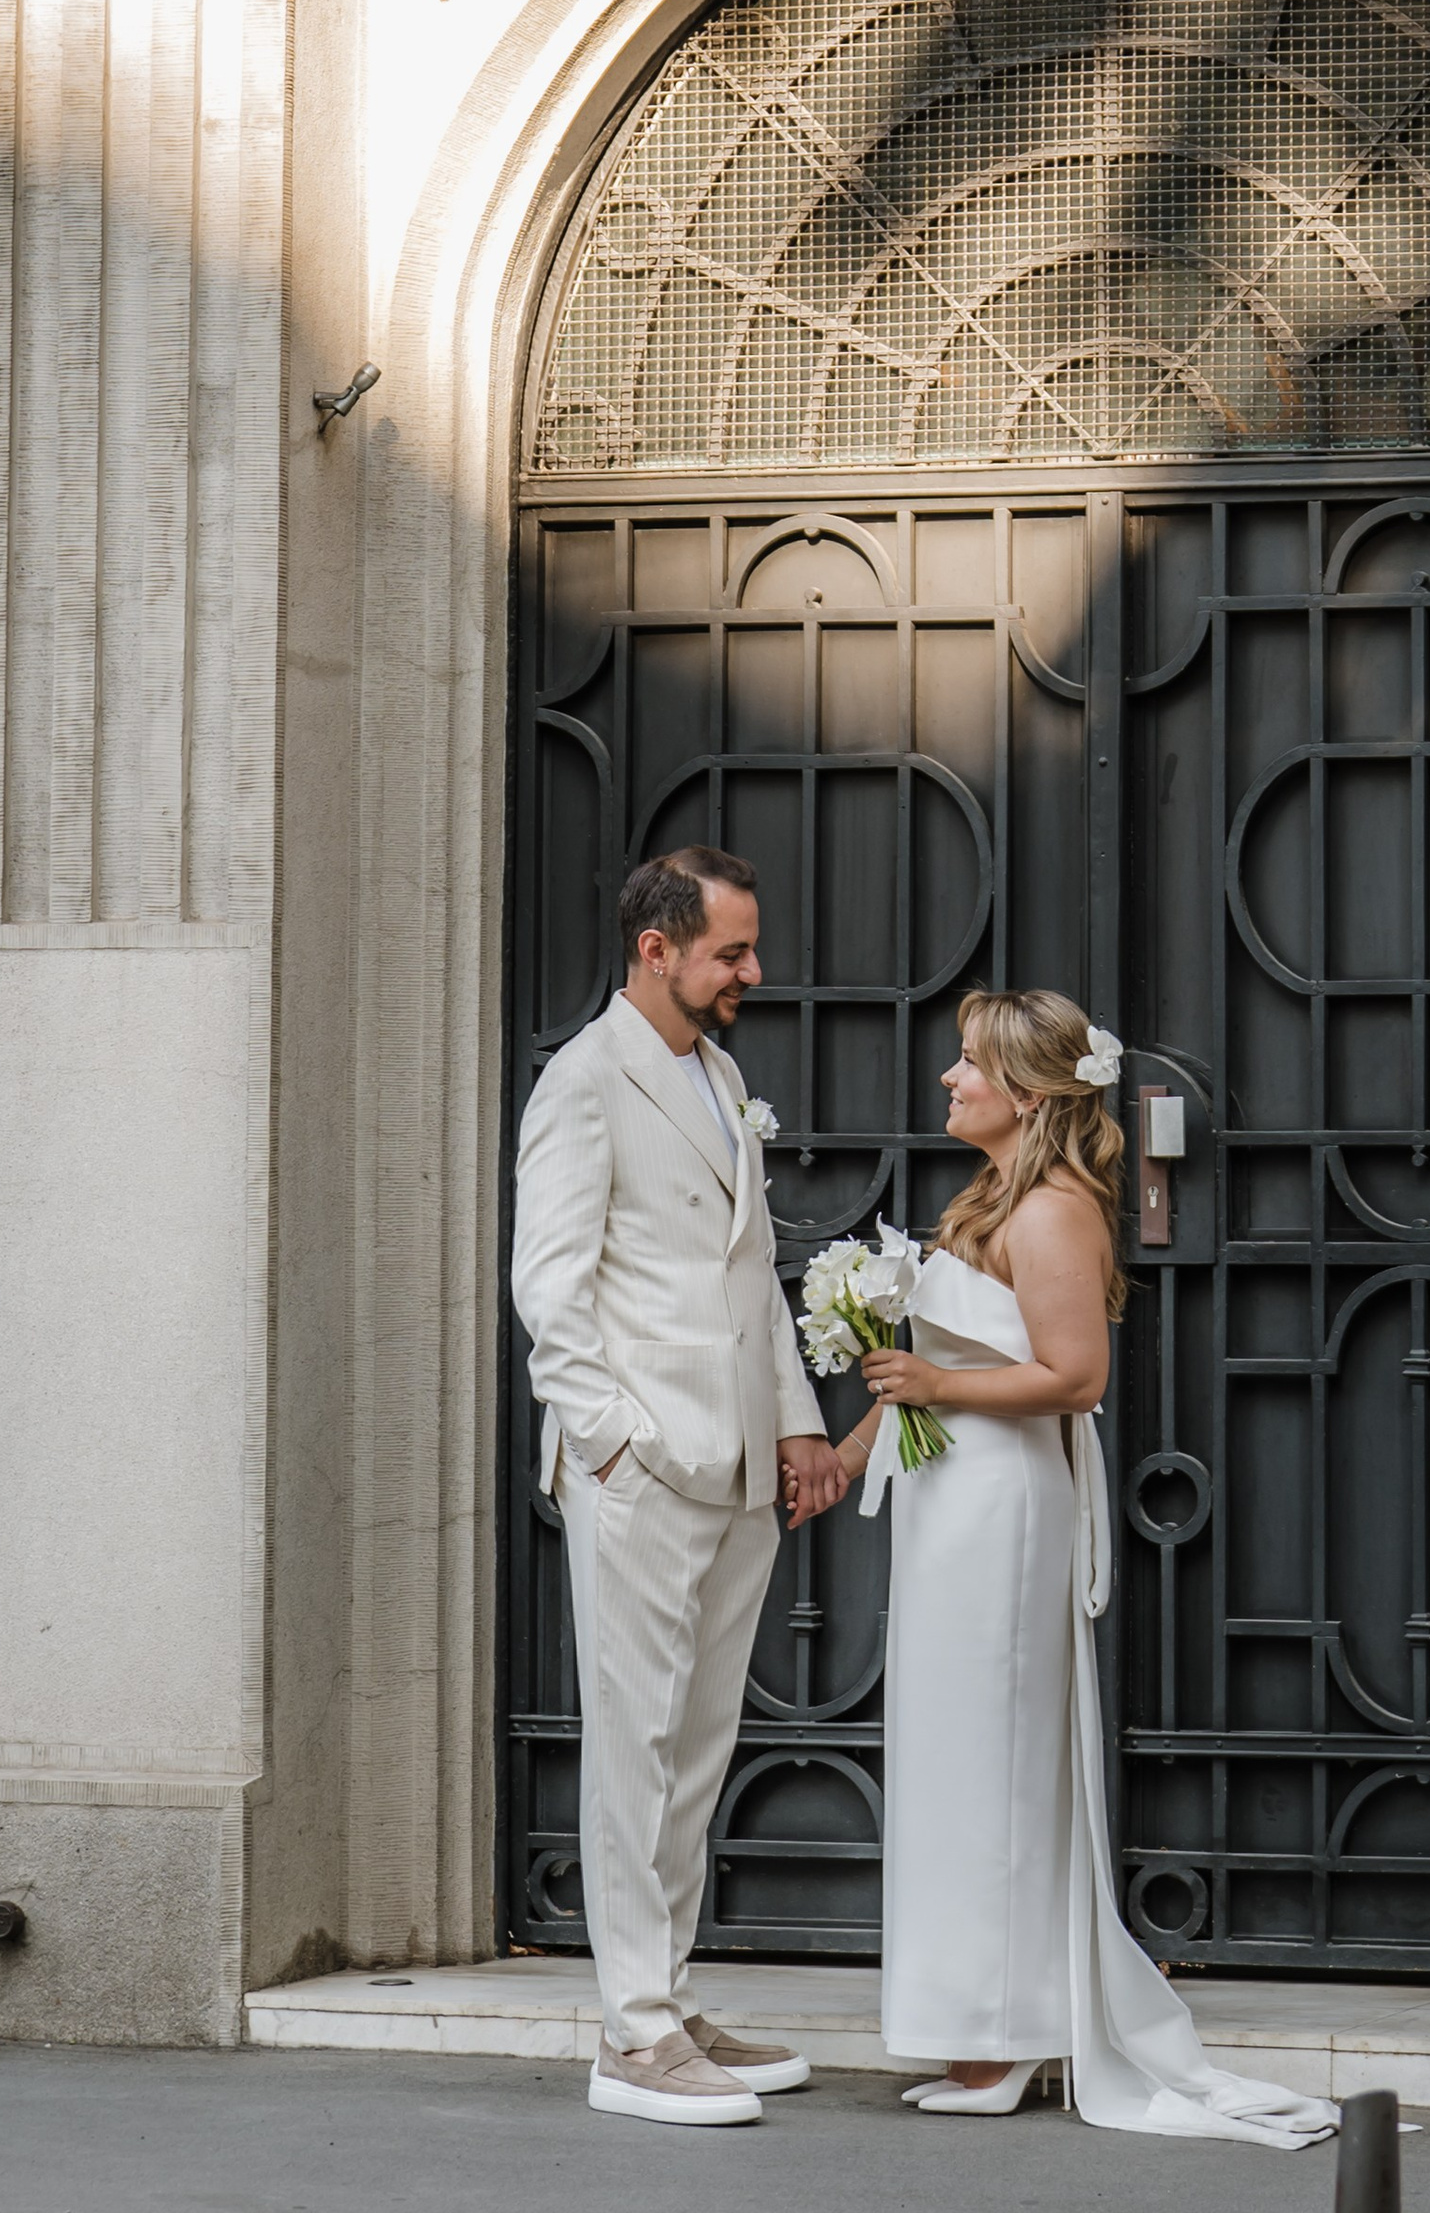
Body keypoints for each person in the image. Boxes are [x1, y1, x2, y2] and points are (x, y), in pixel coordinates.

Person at [834, 987, 1334, 2144]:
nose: (949, 1079)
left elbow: (1075, 1375)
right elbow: (936, 1354)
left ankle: (1001, 2036)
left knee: (993, 1764)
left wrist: (933, 1389)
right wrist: (856, 1443)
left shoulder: (1055, 1209)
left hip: (1005, 1508)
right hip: (952, 1500)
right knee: (955, 1762)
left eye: (969, 1064)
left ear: (1028, 1093)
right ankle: (980, 2027)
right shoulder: (988, 1197)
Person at [511, 844, 850, 2130]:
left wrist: (798, 1427)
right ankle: (632, 2033)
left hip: (737, 1467)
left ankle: (668, 1992)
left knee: (697, 1745)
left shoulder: (719, 1072)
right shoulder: (583, 1083)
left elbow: (752, 1268)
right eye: (731, 951)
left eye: (748, 949)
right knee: (634, 1745)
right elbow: (550, 1283)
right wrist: (608, 1440)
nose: (752, 971)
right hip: (643, 1465)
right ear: (655, 947)